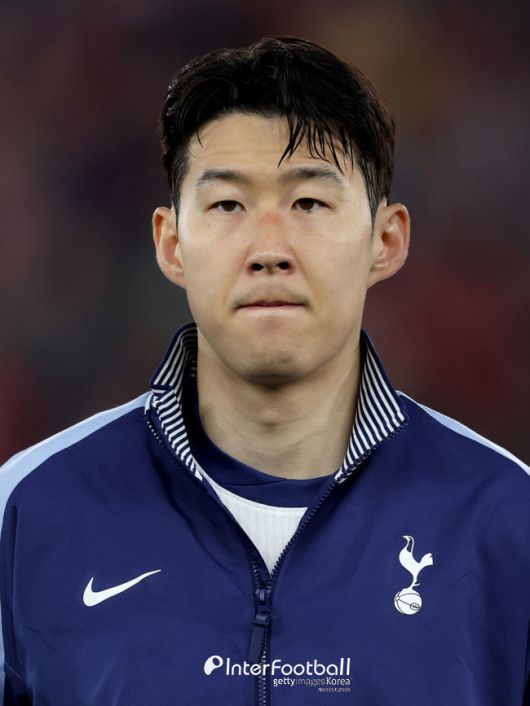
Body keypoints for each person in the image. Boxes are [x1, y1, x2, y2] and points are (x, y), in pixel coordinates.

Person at [0, 35, 528, 706]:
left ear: (386, 239)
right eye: (228, 205)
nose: (269, 249)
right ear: (171, 243)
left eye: (309, 203)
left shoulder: (506, 518)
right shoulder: (30, 508)